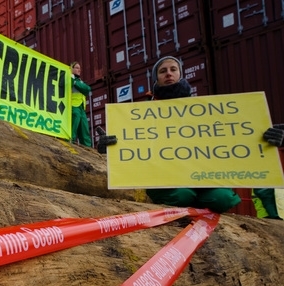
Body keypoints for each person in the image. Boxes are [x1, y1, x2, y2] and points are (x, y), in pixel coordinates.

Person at [103, 56, 242, 213]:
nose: (168, 74)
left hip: (203, 177)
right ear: (157, 78)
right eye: (163, 71)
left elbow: (232, 135)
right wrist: (109, 146)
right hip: (166, 179)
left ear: (180, 74)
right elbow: (130, 144)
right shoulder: (142, 114)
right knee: (182, 196)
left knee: (223, 198)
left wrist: (266, 136)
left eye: (173, 69)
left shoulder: (204, 110)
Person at [70, 62, 92, 147]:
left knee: (84, 127)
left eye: (79, 68)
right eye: (76, 68)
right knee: (74, 125)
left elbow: (87, 89)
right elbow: (83, 88)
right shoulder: (69, 79)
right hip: (73, 106)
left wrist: (76, 83)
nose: (79, 70)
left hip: (81, 107)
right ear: (71, 69)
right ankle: (70, 142)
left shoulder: (79, 81)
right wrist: (75, 82)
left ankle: (87, 147)